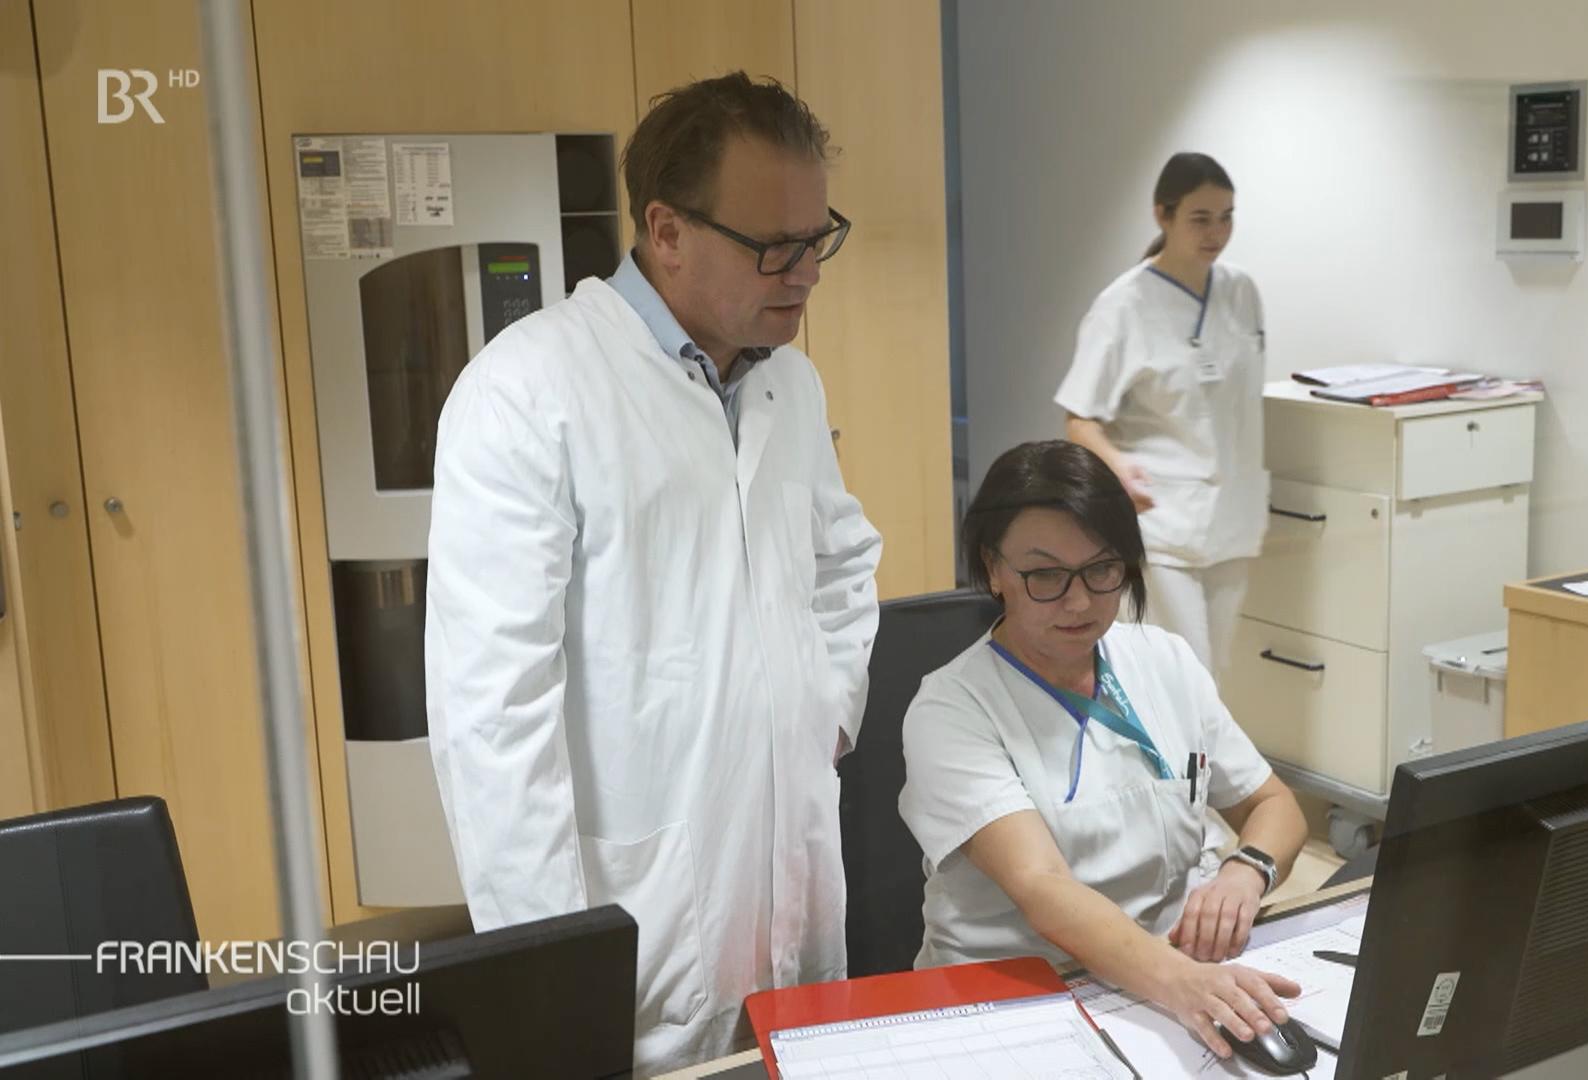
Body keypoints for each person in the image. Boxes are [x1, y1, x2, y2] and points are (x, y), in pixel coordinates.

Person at [424, 72, 882, 1074]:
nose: (806, 272)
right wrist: (550, 981)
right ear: (667, 231)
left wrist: (822, 711)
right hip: (638, 923)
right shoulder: (527, 392)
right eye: (775, 246)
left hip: (791, 881)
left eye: (819, 238)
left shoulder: (786, 382)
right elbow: (493, 721)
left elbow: (843, 560)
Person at [899, 440, 1309, 1061]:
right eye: (1044, 576)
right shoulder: (952, 709)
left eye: (1102, 570)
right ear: (993, 570)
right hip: (1017, 999)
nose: (1080, 601)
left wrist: (1246, 870)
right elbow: (1042, 889)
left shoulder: (1162, 660)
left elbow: (1274, 803)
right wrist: (1182, 984)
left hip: (1165, 978)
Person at [1056, 152, 1268, 675]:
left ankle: (1193, 760)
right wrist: (1118, 465)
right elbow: (1079, 419)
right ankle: (1174, 760)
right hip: (1163, 520)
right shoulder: (1123, 306)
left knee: (1213, 678)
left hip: (1233, 521)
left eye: (1227, 216)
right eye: (1201, 218)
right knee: (1183, 676)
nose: (1216, 231)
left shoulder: (1241, 292)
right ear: (1163, 215)